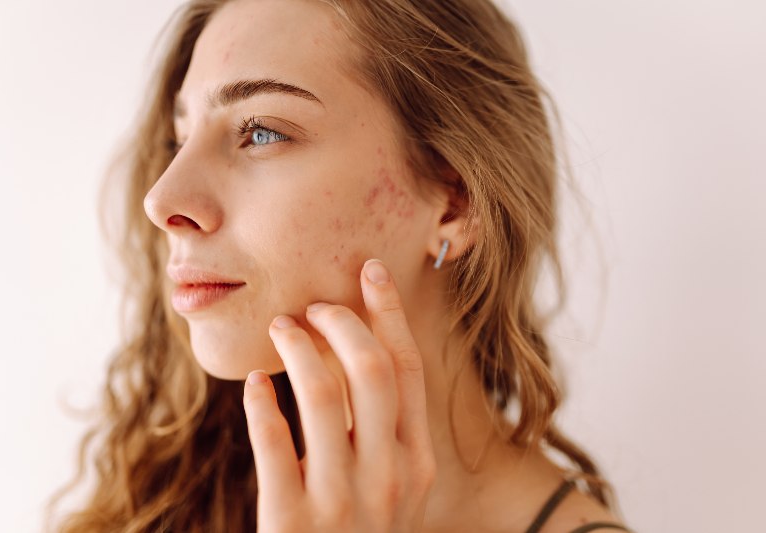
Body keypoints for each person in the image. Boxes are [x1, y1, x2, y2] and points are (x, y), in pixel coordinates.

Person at [48, 0, 633, 531]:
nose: (162, 201)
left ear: (453, 201)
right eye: (180, 139)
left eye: (261, 132)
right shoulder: (165, 504)